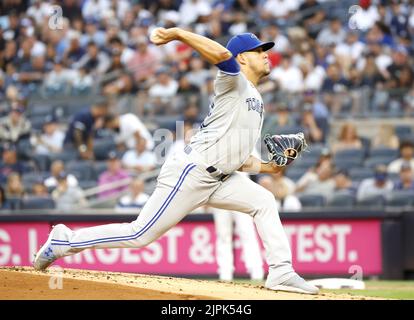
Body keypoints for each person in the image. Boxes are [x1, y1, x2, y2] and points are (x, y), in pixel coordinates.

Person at [33, 28, 319, 294]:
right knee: (139, 235)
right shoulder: (234, 81)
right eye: (258, 50)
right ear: (242, 57)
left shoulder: (256, 99)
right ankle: (64, 242)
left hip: (222, 177)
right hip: (192, 172)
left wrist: (270, 167)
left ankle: (281, 271)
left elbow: (237, 155)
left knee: (264, 201)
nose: (266, 54)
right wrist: (177, 33)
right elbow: (221, 56)